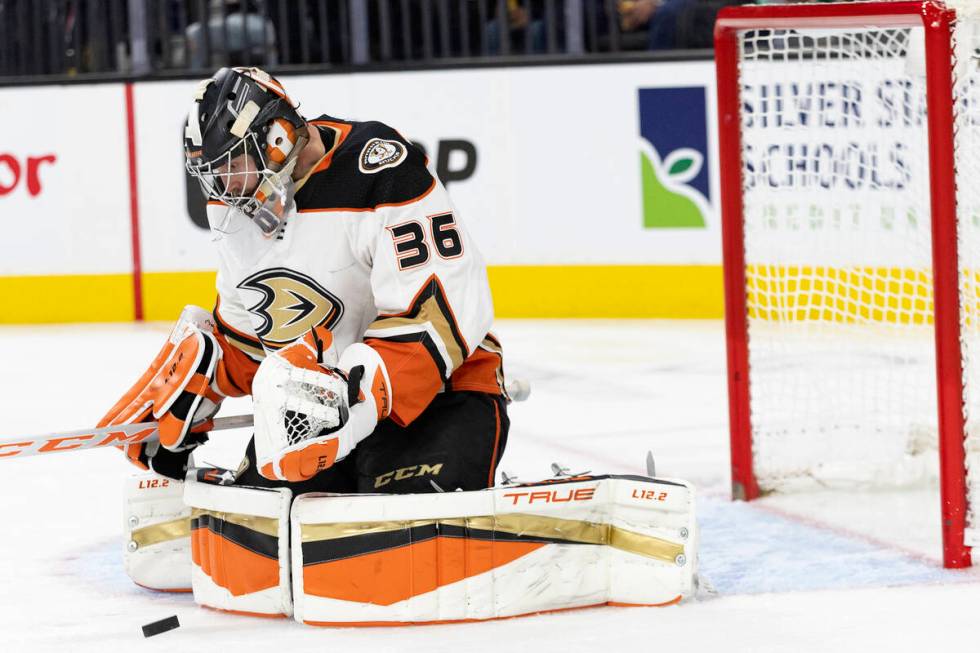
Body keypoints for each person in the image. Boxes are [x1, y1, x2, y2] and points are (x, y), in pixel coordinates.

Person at [99, 66, 508, 496]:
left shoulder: (381, 170)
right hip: (316, 407)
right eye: (215, 173)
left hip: (441, 394)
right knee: (257, 535)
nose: (224, 186)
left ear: (276, 138)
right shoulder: (237, 202)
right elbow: (260, 331)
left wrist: (351, 400)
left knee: (391, 533)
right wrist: (204, 380)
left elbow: (440, 313)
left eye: (233, 165)